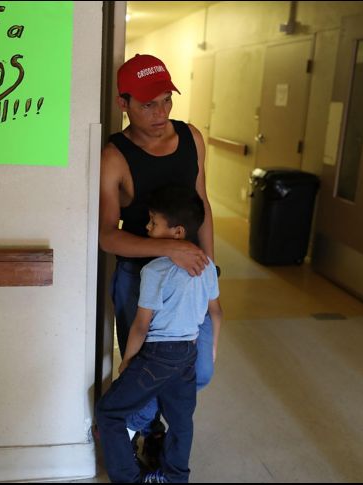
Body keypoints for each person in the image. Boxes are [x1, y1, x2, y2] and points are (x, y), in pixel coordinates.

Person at [98, 53, 220, 462]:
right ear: (124, 103)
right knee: (143, 369)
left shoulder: (192, 138)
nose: (160, 112)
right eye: (148, 103)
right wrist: (169, 247)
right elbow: (106, 237)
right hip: (140, 278)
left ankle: (145, 421)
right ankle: (150, 434)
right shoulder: (114, 157)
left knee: (199, 370)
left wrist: (209, 271)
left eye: (166, 100)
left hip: (193, 276)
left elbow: (202, 203)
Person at [96, 187, 223, 483]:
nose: (147, 227)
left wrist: (127, 361)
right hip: (188, 354)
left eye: (153, 223)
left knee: (109, 412)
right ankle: (174, 478)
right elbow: (215, 312)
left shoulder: (155, 270)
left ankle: (129, 478)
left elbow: (141, 325)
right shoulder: (206, 267)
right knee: (181, 422)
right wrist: (211, 348)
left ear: (177, 232)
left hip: (157, 356)